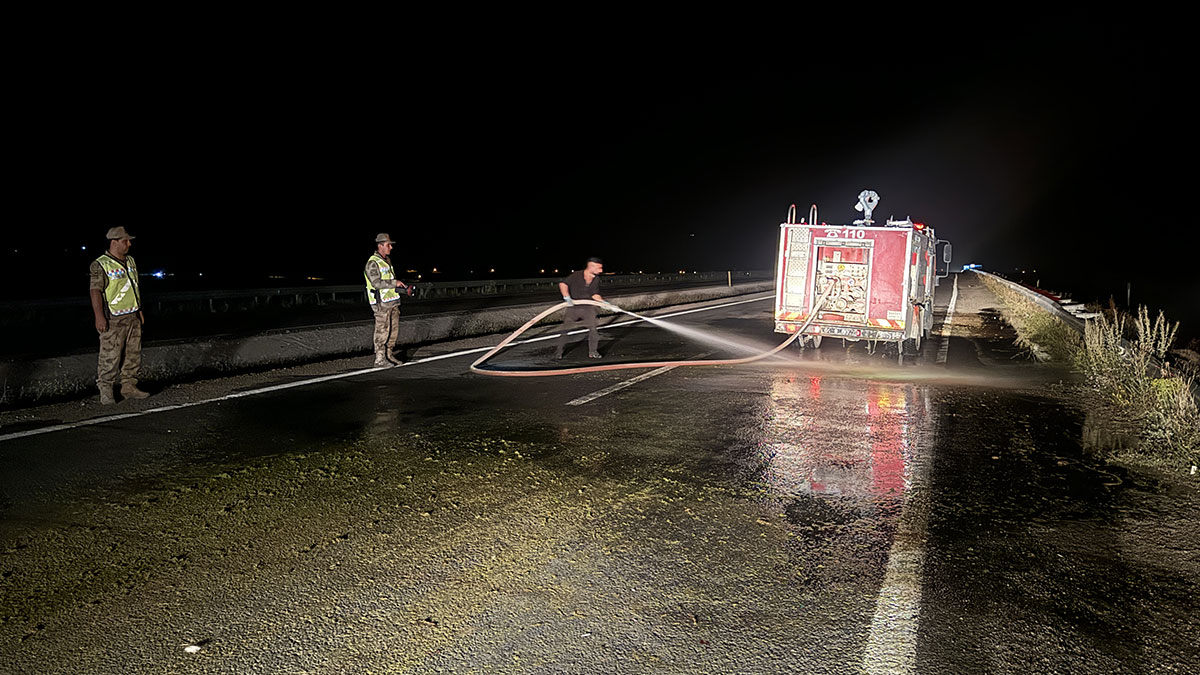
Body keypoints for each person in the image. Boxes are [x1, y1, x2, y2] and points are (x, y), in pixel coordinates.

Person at [88, 226, 149, 404]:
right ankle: (106, 389)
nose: (129, 244)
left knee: (133, 355)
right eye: (125, 241)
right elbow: (95, 291)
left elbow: (134, 287)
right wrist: (99, 316)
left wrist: (139, 310)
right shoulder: (101, 264)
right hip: (113, 318)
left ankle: (129, 386)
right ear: (114, 242)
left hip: (132, 316)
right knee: (109, 356)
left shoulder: (130, 261)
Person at [364, 233, 409, 367]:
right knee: (382, 331)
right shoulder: (372, 263)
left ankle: (389, 355)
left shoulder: (386, 261)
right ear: (380, 245)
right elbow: (376, 283)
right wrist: (394, 283)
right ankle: (379, 359)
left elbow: (388, 281)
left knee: (393, 331)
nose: (391, 247)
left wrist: (400, 287)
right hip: (381, 303)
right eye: (388, 244)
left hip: (392, 302)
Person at [555, 257, 613, 359]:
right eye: (599, 268)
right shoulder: (576, 275)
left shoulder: (596, 279)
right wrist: (567, 297)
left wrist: (604, 303)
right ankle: (558, 352)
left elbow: (594, 294)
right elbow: (563, 284)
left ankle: (593, 352)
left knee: (593, 330)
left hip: (588, 308)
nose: (601, 270)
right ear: (591, 266)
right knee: (565, 330)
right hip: (573, 307)